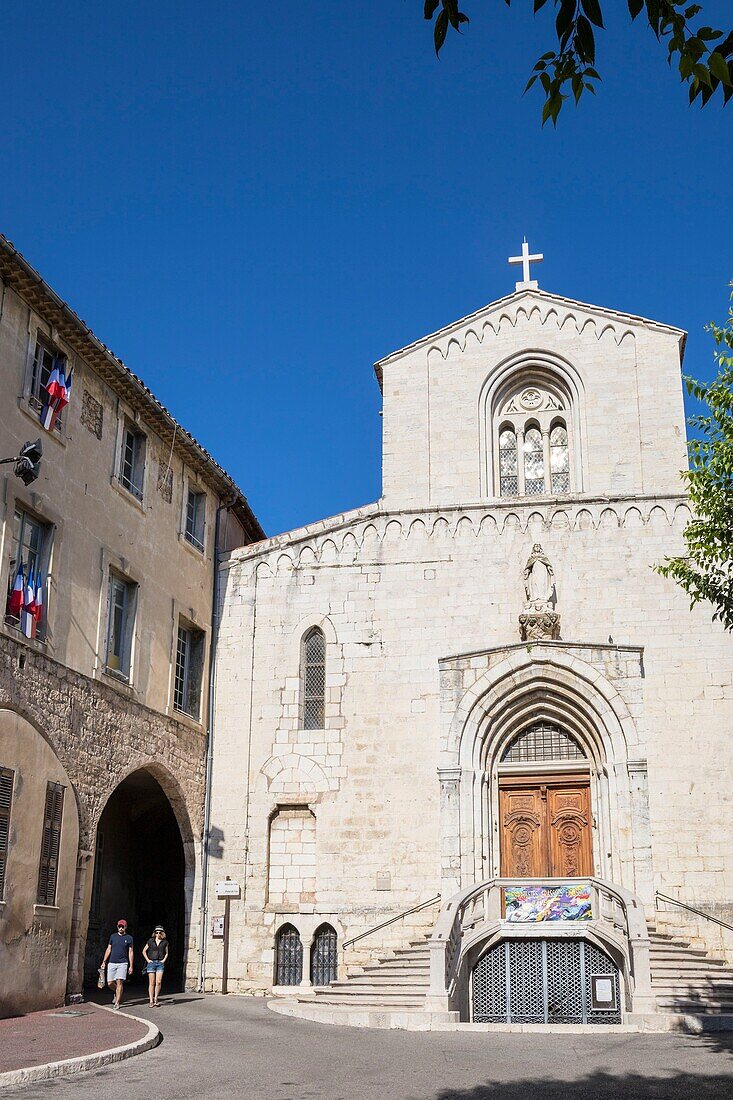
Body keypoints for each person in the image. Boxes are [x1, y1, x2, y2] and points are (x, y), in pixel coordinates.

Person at [101, 918, 134, 1010]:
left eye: (122, 926)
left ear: (125, 927)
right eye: (119, 926)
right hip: (112, 962)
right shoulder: (113, 937)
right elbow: (109, 949)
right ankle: (117, 992)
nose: (121, 928)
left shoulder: (129, 938)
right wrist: (104, 961)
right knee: (110, 982)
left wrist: (131, 966)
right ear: (117, 927)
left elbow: (131, 952)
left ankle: (117, 1002)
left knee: (119, 981)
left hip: (123, 963)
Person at [142, 925, 169, 1007]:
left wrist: (164, 960)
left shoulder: (165, 942)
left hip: (160, 963)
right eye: (156, 932)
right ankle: (151, 1000)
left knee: (159, 982)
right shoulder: (150, 941)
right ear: (154, 933)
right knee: (152, 982)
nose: (158, 934)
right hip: (151, 963)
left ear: (162, 933)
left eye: (159, 932)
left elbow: (167, 952)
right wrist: (148, 960)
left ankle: (156, 999)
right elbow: (144, 951)